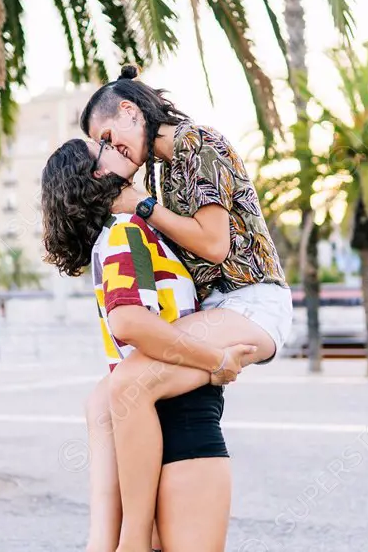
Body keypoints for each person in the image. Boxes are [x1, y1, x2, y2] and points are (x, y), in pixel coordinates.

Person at [80, 65, 293, 552]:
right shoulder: (164, 169)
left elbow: (216, 246)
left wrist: (142, 206)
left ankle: (131, 541)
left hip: (252, 302)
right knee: (102, 401)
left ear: (131, 111)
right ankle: (108, 538)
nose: (113, 153)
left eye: (110, 138)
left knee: (131, 385)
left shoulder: (197, 143)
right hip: (221, 307)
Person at [41, 138, 254, 552]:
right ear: (98, 173)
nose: (113, 144)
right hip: (183, 423)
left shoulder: (116, 234)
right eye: (101, 147)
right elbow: (130, 321)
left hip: (147, 428)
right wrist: (217, 361)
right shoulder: (126, 231)